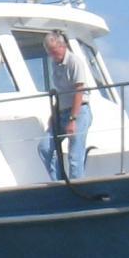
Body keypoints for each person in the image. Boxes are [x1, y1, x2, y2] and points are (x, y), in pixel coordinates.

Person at [37, 31, 91, 181]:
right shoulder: (55, 64)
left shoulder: (75, 62)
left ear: (63, 46)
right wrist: (53, 114)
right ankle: (59, 182)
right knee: (44, 147)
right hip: (61, 112)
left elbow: (79, 90)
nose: (53, 56)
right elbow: (60, 92)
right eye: (50, 53)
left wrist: (73, 119)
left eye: (55, 52)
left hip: (78, 112)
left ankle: (77, 184)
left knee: (74, 155)